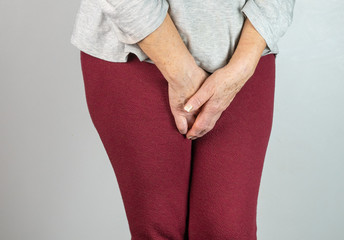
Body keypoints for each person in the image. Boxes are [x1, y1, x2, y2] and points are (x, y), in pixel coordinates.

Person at [70, 0, 295, 239]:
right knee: (157, 227)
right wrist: (180, 71)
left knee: (227, 231)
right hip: (136, 47)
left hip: (243, 53)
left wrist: (241, 67)